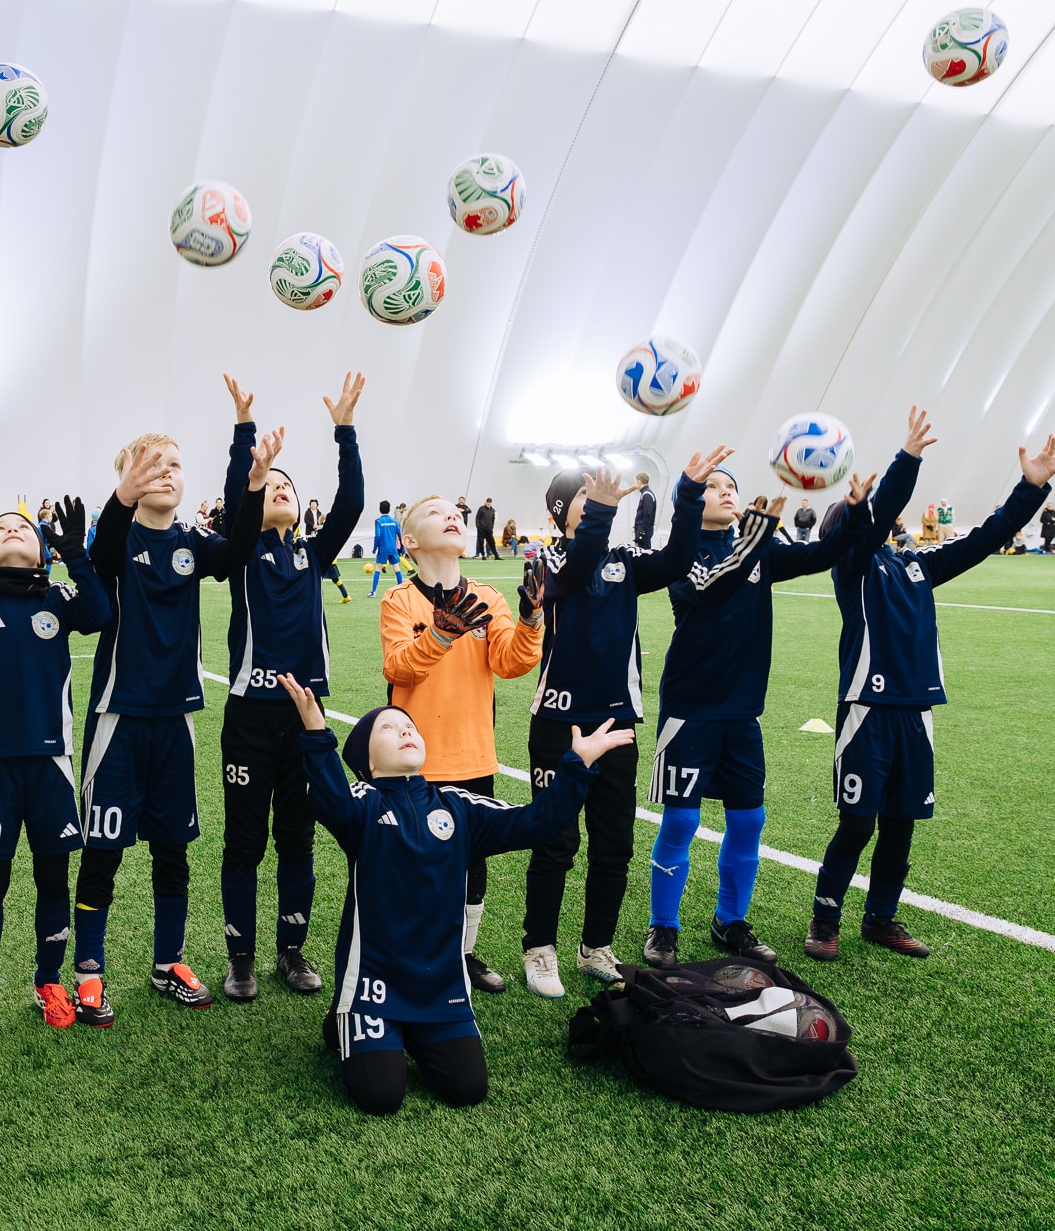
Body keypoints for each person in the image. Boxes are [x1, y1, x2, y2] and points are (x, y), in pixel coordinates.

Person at [279, 675, 632, 1116]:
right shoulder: (362, 803)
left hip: (441, 989)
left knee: (468, 1088)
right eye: (387, 728)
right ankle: (347, 1019)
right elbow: (330, 798)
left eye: (409, 726)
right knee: (380, 1096)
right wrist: (316, 731)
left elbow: (536, 823)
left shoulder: (457, 806)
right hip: (374, 986)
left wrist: (578, 764)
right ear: (367, 761)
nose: (404, 731)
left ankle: (408, 1032)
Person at [807, 415, 1055, 961]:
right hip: (867, 711)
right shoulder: (852, 565)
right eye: (866, 518)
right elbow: (873, 521)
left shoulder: (917, 566)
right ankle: (824, 921)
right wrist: (907, 459)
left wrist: (1030, 488)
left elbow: (986, 537)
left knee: (901, 826)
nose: (882, 523)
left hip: (917, 712)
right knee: (857, 825)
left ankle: (880, 919)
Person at [73, 422, 277, 1025]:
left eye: (174, 465)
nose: (165, 472)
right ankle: (88, 971)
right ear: (126, 478)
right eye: (150, 463)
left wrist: (255, 486)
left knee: (173, 848)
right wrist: (123, 497)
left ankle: (168, 963)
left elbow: (237, 552)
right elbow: (102, 554)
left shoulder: (193, 541)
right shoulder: (115, 537)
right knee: (103, 850)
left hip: (176, 721)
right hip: (119, 719)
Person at [518, 447, 728, 998]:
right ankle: (540, 948)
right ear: (562, 511)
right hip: (559, 724)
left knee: (613, 846)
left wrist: (688, 492)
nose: (596, 500)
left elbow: (678, 559)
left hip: (618, 724)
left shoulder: (627, 559)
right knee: (555, 842)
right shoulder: (545, 561)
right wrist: (603, 511)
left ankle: (595, 947)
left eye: (598, 494)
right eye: (583, 495)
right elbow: (576, 570)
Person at [643, 464, 871, 968]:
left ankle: (730, 921)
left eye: (732, 487)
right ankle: (663, 927)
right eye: (714, 487)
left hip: (743, 711)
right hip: (690, 709)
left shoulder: (758, 548)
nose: (726, 493)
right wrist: (756, 535)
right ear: (692, 501)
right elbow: (712, 588)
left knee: (749, 821)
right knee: (681, 820)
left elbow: (821, 555)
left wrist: (856, 514)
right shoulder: (681, 554)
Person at [215, 372, 366, 1002]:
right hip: (249, 718)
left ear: (303, 508)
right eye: (271, 485)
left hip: (307, 719)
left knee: (298, 841)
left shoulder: (313, 554)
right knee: (245, 843)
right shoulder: (242, 552)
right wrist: (247, 440)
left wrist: (345, 431)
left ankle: (291, 951)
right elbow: (239, 505)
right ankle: (241, 959)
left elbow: (352, 503)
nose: (280, 488)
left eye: (288, 486)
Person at [0, 500, 110, 1035]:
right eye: (1, 528)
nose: (12, 530)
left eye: (23, 529)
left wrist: (78, 556)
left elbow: (100, 615)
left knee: (53, 879)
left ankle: (48, 981)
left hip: (52, 764)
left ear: (42, 552)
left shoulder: (58, 597)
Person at [380, 495, 544, 993]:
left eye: (454, 510)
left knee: (472, 862)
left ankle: (463, 955)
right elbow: (398, 668)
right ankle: (414, 956)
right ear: (409, 541)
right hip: (414, 761)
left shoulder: (488, 597)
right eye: (435, 512)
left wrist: (531, 620)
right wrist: (440, 635)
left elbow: (511, 663)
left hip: (473, 755)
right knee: (416, 862)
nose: (451, 515)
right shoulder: (400, 600)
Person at [368, 501, 403, 598]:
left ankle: (373, 592)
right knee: (396, 568)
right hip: (393, 549)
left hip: (383, 549)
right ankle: (402, 591)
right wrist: (402, 549)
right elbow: (400, 535)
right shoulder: (394, 521)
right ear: (389, 509)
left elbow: (378, 536)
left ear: (380, 509)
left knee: (378, 569)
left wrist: (374, 548)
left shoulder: (379, 521)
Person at [633, 473, 656, 550]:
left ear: (639, 481)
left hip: (644, 530)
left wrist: (642, 531)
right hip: (643, 529)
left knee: (644, 552)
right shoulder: (645, 493)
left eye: (636, 481)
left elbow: (647, 514)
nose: (635, 484)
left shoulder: (647, 494)